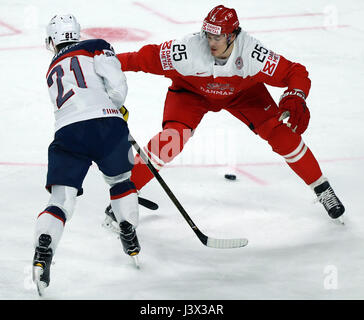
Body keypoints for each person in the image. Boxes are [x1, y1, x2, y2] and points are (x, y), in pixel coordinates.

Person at [106, 5, 345, 223]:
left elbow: (295, 72)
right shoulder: (186, 50)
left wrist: (296, 95)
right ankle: (125, 194)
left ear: (233, 35)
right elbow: (138, 59)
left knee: (281, 134)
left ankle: (322, 189)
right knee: (171, 140)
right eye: (208, 35)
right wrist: (103, 68)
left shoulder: (253, 54)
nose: (211, 42)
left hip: (243, 93)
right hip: (191, 93)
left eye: (218, 36)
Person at [33, 14, 141, 295]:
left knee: (61, 198)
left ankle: (44, 246)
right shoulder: (96, 45)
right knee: (120, 180)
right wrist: (115, 107)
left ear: (53, 40)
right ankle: (127, 227)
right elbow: (117, 85)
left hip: (68, 132)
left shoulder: (51, 68)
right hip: (107, 124)